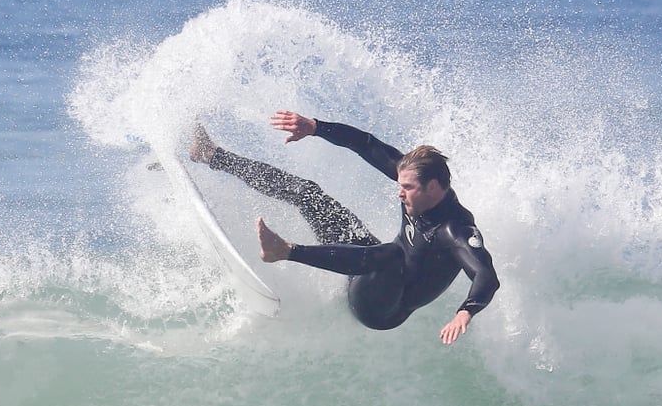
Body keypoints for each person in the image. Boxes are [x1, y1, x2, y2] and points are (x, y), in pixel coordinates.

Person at [190, 110, 500, 344]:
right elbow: (365, 143)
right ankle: (212, 155)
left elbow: (486, 275)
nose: (399, 191)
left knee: (392, 254)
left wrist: (466, 311)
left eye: (407, 187)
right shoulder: (414, 180)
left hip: (381, 309)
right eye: (400, 183)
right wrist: (315, 127)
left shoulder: (455, 229)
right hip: (372, 265)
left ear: (433, 188)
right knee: (309, 194)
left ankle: (284, 251)